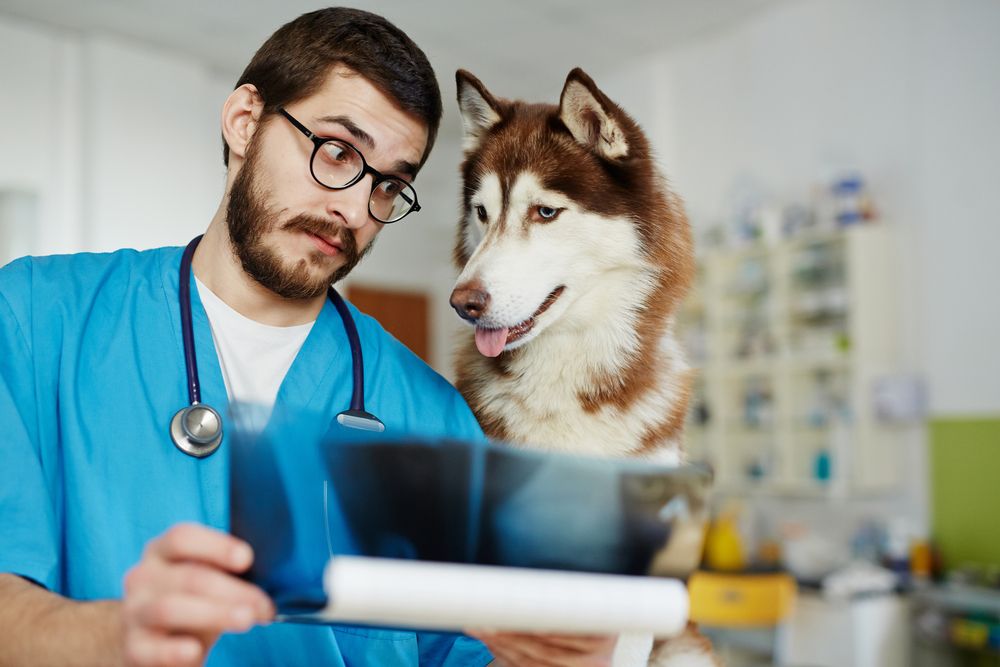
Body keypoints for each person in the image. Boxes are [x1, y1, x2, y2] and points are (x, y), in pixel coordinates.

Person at [0, 7, 617, 666]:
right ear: (244, 122)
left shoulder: (432, 417)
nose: (354, 209)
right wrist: (113, 636)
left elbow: (464, 654)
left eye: (389, 185)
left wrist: (560, 657)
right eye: (337, 151)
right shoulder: (35, 317)